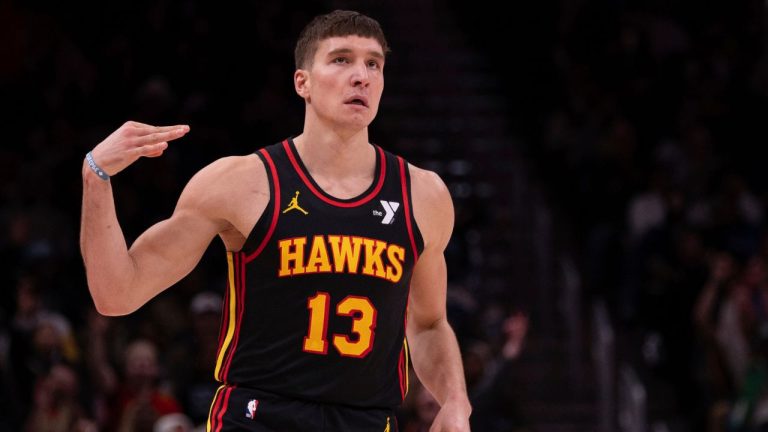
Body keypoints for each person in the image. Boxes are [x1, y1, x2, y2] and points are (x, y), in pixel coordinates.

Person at [80, 9, 471, 432]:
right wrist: (95, 176)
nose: (362, 76)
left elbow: (429, 324)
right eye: (341, 59)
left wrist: (455, 400)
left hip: (367, 421)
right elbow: (116, 294)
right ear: (303, 82)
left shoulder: (423, 195)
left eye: (373, 64)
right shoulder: (239, 183)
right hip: (258, 417)